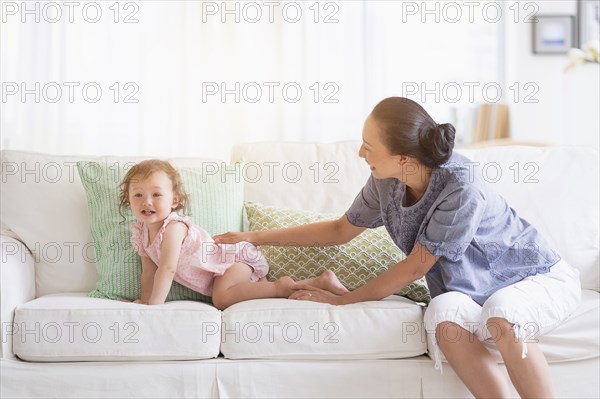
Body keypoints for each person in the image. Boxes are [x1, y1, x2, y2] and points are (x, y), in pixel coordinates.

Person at [213, 97, 582, 398]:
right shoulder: (386, 181)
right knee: (442, 314)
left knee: (503, 314)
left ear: (404, 158)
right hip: (473, 291)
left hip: (533, 278)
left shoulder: (460, 185)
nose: (360, 152)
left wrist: (346, 299)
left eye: (369, 146)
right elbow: (341, 229)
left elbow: (415, 268)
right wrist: (254, 237)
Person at [119, 159, 348, 310]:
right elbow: (149, 272)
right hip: (220, 273)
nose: (146, 202)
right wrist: (145, 302)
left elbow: (166, 269)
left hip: (233, 260)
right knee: (225, 293)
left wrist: (154, 308)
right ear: (128, 200)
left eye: (156, 195)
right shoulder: (140, 234)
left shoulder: (173, 228)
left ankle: (283, 285)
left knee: (221, 298)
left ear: (174, 200)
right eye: (138, 195)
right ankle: (319, 282)